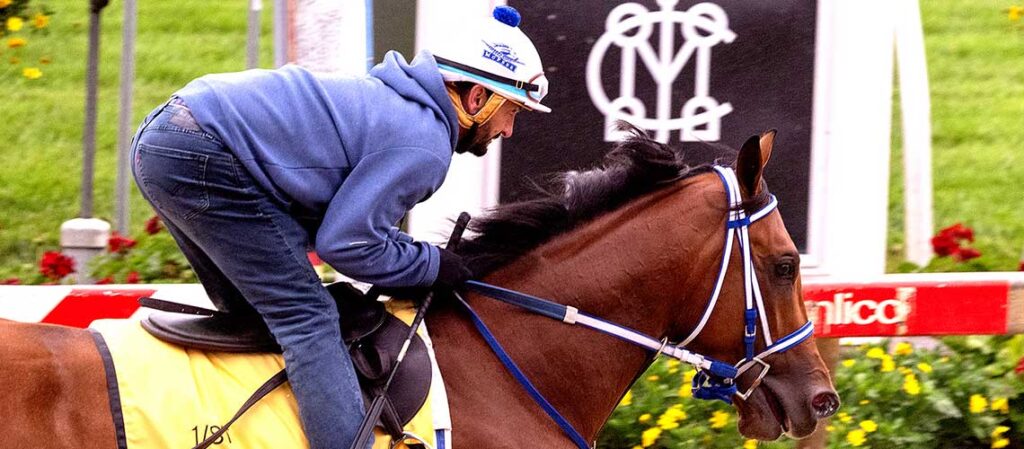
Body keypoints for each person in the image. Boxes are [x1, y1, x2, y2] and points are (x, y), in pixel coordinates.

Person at [128, 5, 549, 449]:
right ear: (477, 98)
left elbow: (350, 230)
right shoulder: (424, 144)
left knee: (256, 314)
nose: (508, 130)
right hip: (198, 149)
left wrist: (421, 260)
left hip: (169, 138)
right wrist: (432, 265)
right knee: (307, 317)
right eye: (512, 111)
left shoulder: (401, 109)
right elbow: (347, 245)